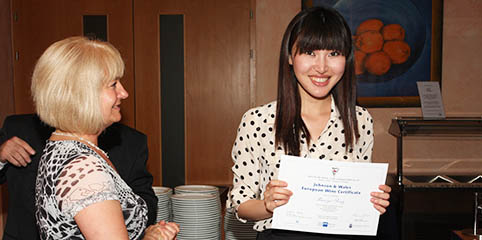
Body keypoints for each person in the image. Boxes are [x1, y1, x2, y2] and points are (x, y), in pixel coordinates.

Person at [229, 6, 392, 240]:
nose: (322, 67)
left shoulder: (360, 120)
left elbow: (357, 200)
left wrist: (372, 201)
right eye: (310, 52)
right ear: (289, 56)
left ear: (347, 58)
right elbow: (240, 203)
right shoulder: (258, 121)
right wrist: (267, 204)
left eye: (334, 53)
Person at [30, 36, 179, 239]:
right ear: (83, 95)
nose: (124, 93)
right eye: (113, 84)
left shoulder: (61, 146)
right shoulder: (82, 169)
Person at [0, 114, 157, 240]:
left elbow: (146, 200)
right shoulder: (18, 128)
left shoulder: (132, 142)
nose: (123, 93)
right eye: (112, 85)